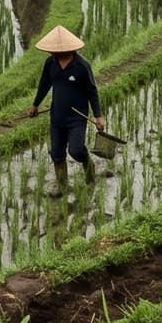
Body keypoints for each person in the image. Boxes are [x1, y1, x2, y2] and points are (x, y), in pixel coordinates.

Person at [27, 25, 105, 197]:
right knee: (57, 154)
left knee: (76, 151)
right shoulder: (50, 63)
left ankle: (88, 166)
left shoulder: (82, 66)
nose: (51, 53)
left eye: (53, 50)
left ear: (66, 49)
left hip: (77, 118)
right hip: (57, 117)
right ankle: (62, 188)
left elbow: (92, 91)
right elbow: (44, 84)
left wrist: (98, 115)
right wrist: (35, 104)